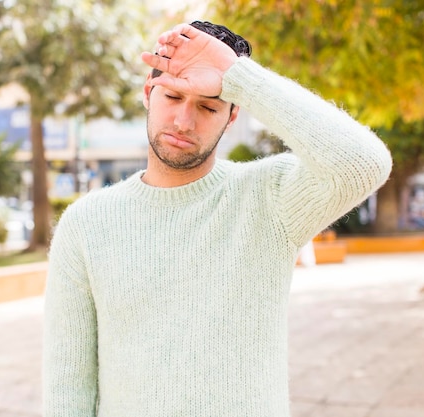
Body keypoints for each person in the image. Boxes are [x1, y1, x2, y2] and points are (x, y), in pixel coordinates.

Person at [43, 21, 392, 416]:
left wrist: (241, 78)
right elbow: (67, 384)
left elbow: (364, 164)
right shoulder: (87, 222)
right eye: (172, 96)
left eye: (208, 106)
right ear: (147, 93)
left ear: (231, 116)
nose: (183, 122)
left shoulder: (268, 197)